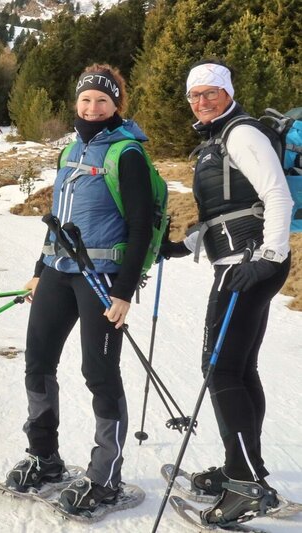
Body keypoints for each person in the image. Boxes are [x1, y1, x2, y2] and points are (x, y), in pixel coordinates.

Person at [4, 64, 154, 514]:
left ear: (115, 106)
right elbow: (57, 217)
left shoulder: (127, 153)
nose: (92, 107)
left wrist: (125, 291)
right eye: (86, 100)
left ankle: (105, 477)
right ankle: (45, 458)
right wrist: (38, 267)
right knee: (38, 361)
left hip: (102, 279)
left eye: (102, 101)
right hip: (56, 271)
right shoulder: (69, 151)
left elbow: (142, 224)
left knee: (99, 373)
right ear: (76, 103)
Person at [160, 60, 292, 527]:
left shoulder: (241, 133)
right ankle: (246, 468)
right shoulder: (216, 140)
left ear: (227, 91)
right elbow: (227, 211)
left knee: (217, 368)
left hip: (248, 264)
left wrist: (269, 257)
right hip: (240, 260)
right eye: (194, 95)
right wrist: (181, 246)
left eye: (210, 92)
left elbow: (277, 195)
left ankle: (245, 483)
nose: (201, 101)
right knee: (237, 367)